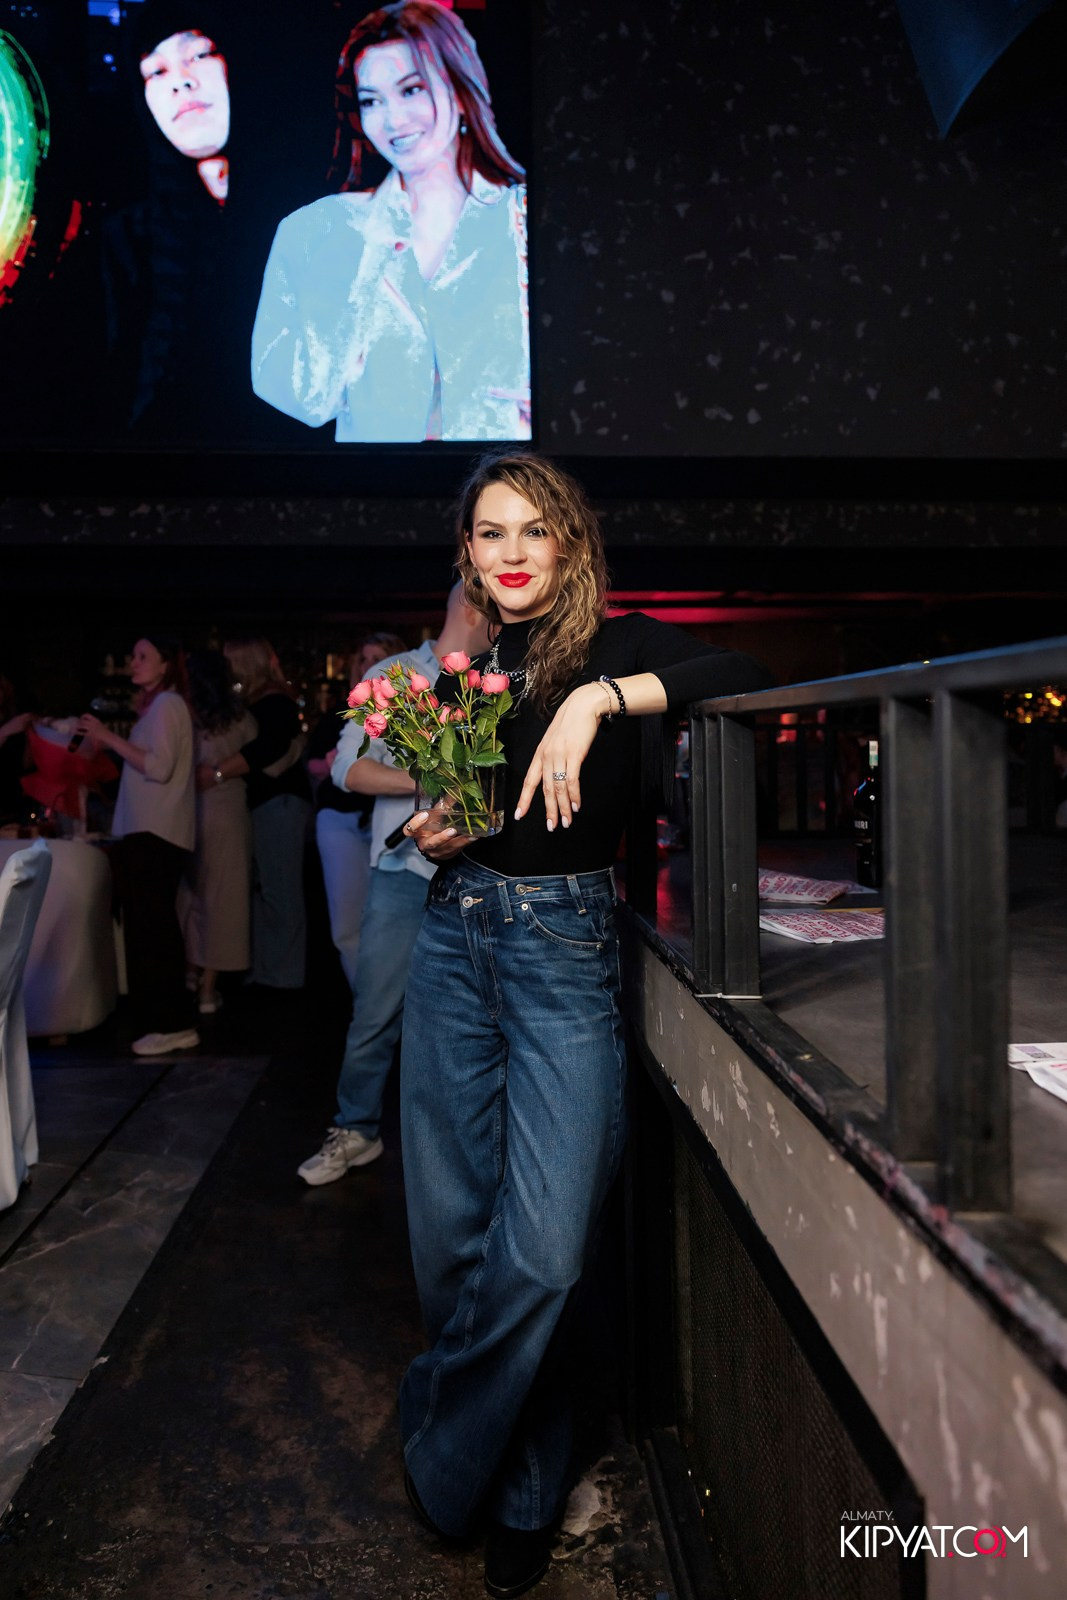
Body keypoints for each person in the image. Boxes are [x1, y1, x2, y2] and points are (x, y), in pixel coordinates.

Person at [397, 453, 772, 1599]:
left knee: (547, 1254)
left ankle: (440, 1433)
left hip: (559, 951)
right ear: (467, 554)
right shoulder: (470, 673)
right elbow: (471, 811)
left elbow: (747, 671)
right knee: (452, 1238)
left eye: (532, 530)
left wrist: (596, 699)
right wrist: (434, 826)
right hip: (451, 940)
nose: (511, 552)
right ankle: (520, 1489)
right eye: (489, 533)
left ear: (567, 542)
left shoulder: (614, 645)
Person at [251, 0, 530, 443]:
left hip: (507, 478)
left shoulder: (528, 221)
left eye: (411, 89)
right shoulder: (318, 229)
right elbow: (307, 398)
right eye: (372, 100)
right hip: (376, 479)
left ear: (461, 91)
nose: (394, 120)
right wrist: (363, 260)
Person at [298, 584, 488, 1185]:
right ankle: (356, 1129)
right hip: (404, 872)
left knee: (476, 1020)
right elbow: (346, 768)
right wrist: (426, 777)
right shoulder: (396, 674)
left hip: (485, 876)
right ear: (473, 607)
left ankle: (468, 1147)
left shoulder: (501, 678)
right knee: (375, 1012)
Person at [77, 635, 198, 1057]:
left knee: (154, 931)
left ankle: (173, 1023)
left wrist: (107, 737)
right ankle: (161, 1022)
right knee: (148, 929)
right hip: (149, 832)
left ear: (166, 665)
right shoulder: (157, 708)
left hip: (156, 834)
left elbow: (159, 768)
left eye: (143, 656)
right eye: (133, 655)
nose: (133, 662)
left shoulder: (168, 705)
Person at [207, 638, 311, 990]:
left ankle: (283, 975)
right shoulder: (261, 701)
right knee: (268, 888)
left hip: (279, 803)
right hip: (271, 804)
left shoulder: (274, 702)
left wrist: (217, 773)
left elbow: (267, 751)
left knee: (280, 890)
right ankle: (268, 970)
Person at [310, 633, 408, 987]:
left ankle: (391, 1002)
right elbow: (312, 763)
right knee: (347, 921)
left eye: (377, 657)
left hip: (391, 824)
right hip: (341, 820)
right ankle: (364, 998)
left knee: (390, 918)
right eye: (363, 658)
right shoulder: (342, 712)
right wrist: (335, 766)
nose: (368, 665)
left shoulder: (410, 715)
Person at [178, 650, 256, 1013]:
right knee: (224, 899)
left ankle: (190, 973)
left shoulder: (182, 714)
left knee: (191, 895)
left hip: (187, 810)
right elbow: (271, 755)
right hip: (227, 811)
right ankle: (208, 988)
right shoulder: (239, 717)